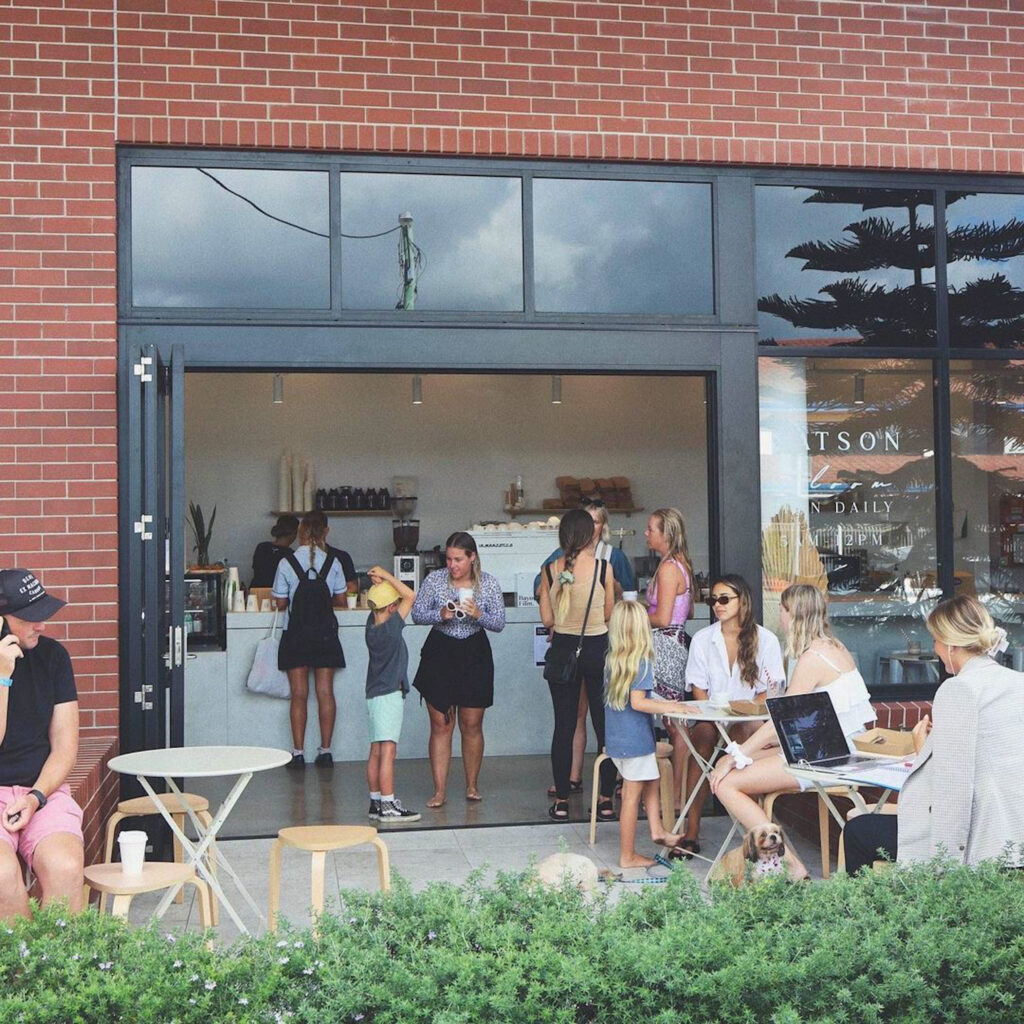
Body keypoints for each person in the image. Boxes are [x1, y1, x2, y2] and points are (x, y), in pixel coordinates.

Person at [842, 595, 1024, 874]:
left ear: (951, 644)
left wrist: (922, 750)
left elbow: (953, 790)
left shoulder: (959, 689)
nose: (935, 648)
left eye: (936, 640)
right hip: (1013, 834)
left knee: (857, 831)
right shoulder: (1017, 682)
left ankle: (871, 915)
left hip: (976, 841)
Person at [710, 583, 875, 879]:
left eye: (782, 610)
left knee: (726, 782)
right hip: (835, 746)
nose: (779, 616)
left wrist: (733, 755)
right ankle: (780, 864)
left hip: (828, 756)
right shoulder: (834, 646)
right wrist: (748, 752)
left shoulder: (812, 658)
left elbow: (780, 722)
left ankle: (791, 867)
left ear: (794, 615)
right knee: (750, 759)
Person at [678, 574, 785, 855]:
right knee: (700, 741)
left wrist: (743, 709)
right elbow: (698, 686)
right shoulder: (703, 639)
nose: (717, 605)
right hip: (712, 713)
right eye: (713, 599)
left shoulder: (766, 640)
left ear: (743, 601)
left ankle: (752, 835)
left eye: (724, 599)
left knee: (745, 735)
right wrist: (713, 715)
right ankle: (692, 829)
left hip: (747, 716)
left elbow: (771, 691)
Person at [536, 500, 637, 797]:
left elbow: (547, 619)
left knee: (564, 729)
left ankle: (563, 800)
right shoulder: (603, 568)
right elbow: (608, 613)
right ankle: (605, 799)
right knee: (603, 727)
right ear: (587, 535)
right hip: (597, 650)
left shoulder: (550, 570)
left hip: (563, 652)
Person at [0, 569, 84, 922]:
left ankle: (59, 972)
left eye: (43, 614)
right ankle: (22, 975)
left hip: (40, 789)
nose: (41, 625)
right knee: (2, 877)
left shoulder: (53, 657)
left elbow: (65, 747)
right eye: (29, 618)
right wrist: (3, 675)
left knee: (64, 867)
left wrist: (36, 797)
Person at [411, 532, 506, 807]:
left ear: (472, 557)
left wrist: (478, 614)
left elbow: (500, 622)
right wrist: (440, 614)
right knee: (441, 725)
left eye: (458, 559)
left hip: (474, 652)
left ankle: (472, 785)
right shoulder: (434, 580)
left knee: (472, 724)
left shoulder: (487, 583)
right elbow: (417, 614)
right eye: (449, 559)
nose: (452, 565)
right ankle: (439, 790)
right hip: (440, 651)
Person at [603, 600, 690, 868]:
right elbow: (639, 702)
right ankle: (627, 855)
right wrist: (670, 706)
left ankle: (657, 830)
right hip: (635, 741)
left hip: (619, 740)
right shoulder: (640, 661)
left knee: (651, 775)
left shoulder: (614, 659)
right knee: (631, 796)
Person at [273, 512, 349, 768]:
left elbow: (282, 603)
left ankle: (297, 753)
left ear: (302, 532)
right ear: (325, 532)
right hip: (325, 634)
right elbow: (340, 600)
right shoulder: (334, 562)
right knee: (326, 692)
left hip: (295, 634)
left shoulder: (287, 562)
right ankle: (325, 751)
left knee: (299, 695)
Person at [643, 507, 695, 814]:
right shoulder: (679, 565)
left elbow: (662, 616)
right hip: (675, 643)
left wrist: (636, 611)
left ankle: (676, 794)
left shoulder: (668, 569)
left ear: (667, 534)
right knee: (675, 721)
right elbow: (683, 612)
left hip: (665, 646)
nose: (647, 533)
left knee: (674, 722)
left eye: (652, 529)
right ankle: (677, 792)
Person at [363, 565, 420, 823]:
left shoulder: (371, 627)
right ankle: (388, 804)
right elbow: (411, 596)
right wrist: (386, 576)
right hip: (389, 695)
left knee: (376, 749)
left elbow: (395, 600)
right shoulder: (391, 629)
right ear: (392, 608)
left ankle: (375, 802)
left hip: (374, 695)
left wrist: (379, 584)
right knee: (388, 751)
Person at [250, 514, 299, 588]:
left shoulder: (261, 547)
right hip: (279, 595)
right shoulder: (291, 555)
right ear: (294, 534)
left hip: (255, 593)